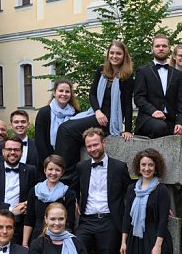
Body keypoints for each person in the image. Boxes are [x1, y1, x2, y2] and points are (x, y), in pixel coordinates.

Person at [72, 128, 132, 254]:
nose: (92, 149)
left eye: (95, 144)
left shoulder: (119, 167)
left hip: (109, 222)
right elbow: (72, 188)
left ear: (103, 143)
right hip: (87, 222)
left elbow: (131, 191)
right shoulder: (82, 167)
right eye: (89, 146)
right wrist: (74, 201)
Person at [53, 41, 135, 174]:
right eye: (112, 53)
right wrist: (97, 111)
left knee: (66, 130)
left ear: (124, 56)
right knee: (65, 127)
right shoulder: (102, 70)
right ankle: (64, 172)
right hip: (97, 114)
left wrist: (128, 130)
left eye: (118, 53)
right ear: (108, 54)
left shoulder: (127, 77)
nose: (114, 56)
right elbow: (92, 95)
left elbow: (127, 105)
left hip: (109, 121)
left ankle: (65, 175)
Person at [133, 35, 182, 160]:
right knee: (160, 128)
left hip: (171, 121)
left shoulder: (177, 74)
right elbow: (139, 98)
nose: (161, 48)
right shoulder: (143, 71)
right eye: (157, 46)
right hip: (148, 119)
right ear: (152, 49)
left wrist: (181, 123)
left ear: (169, 49)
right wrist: (153, 111)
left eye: (164, 46)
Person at [0, 136, 38, 244]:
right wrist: (10, 209)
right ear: (3, 151)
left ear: (22, 152)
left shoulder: (31, 170)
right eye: (9, 149)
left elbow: (36, 195)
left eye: (16, 150)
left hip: (19, 227)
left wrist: (29, 203)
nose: (12, 152)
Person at [32, 78, 90, 167]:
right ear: (54, 93)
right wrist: (49, 164)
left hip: (70, 163)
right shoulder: (44, 113)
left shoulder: (76, 114)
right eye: (61, 91)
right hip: (47, 163)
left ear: (71, 94)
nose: (64, 94)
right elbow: (40, 141)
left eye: (67, 92)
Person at [22, 154, 77, 246]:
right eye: (50, 169)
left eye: (57, 170)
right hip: (37, 237)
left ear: (62, 172)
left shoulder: (68, 193)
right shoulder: (34, 191)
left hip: (59, 239)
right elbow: (29, 219)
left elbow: (69, 222)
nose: (53, 173)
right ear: (45, 170)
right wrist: (25, 243)